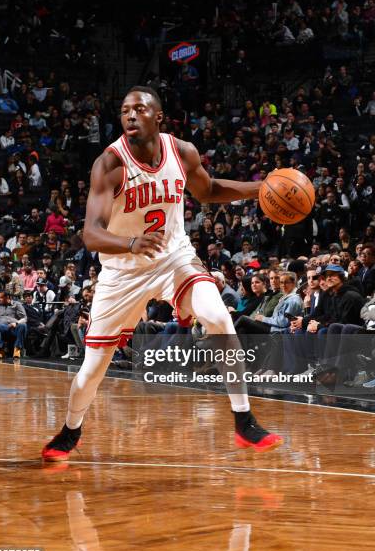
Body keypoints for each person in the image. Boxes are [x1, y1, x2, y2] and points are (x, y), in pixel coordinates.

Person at [42, 86, 283, 461]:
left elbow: (209, 190)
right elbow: (90, 233)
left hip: (174, 258)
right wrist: (131, 244)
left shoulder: (182, 151)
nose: (131, 115)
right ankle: (71, 429)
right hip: (123, 272)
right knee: (91, 370)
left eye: (140, 109)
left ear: (159, 117)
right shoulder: (109, 164)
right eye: (124, 111)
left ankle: (244, 421)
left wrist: (262, 189)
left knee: (219, 317)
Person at [0, 291, 28, 359]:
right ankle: (1, 349)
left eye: (1, 298)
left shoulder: (17, 304)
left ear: (7, 297)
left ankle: (17, 349)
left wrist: (16, 323)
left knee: (23, 325)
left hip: (14, 327)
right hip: (3, 326)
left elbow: (25, 318)